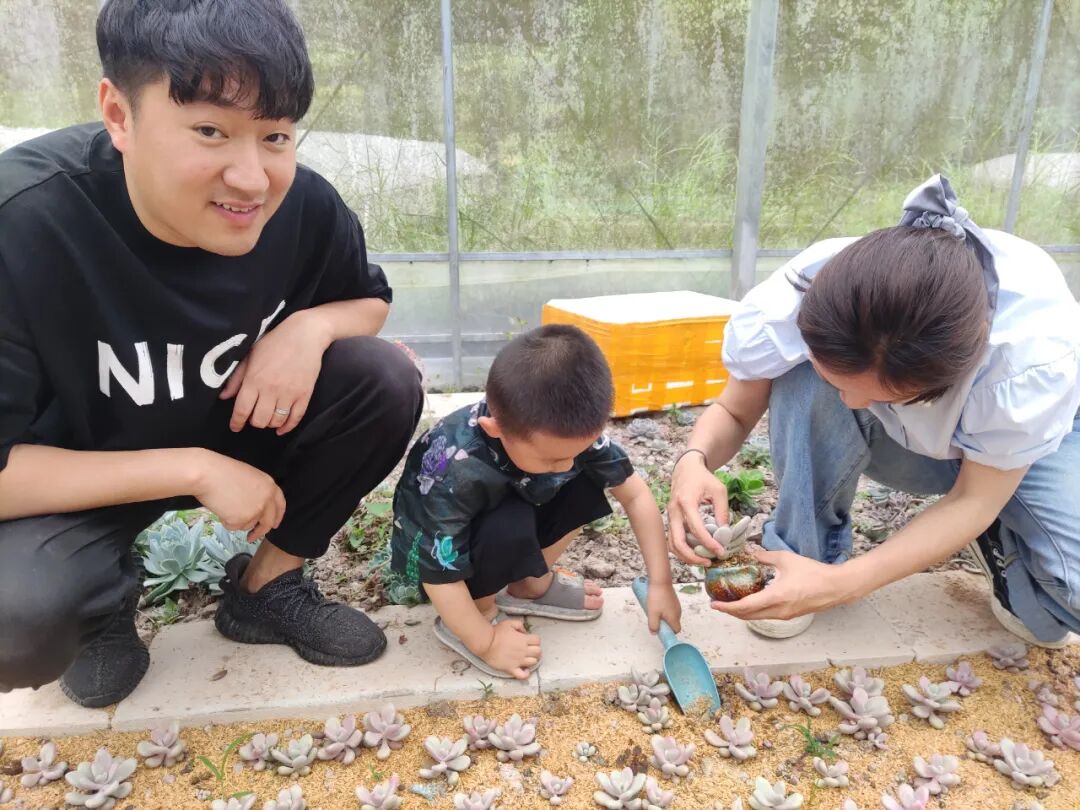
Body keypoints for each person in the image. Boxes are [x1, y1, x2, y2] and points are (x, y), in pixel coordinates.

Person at [0, 0, 423, 708]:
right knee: (15, 618)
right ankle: (101, 604)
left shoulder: (300, 204)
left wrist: (307, 330)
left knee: (383, 378)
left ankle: (267, 589)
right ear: (118, 114)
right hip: (82, 471)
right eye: (209, 130)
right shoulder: (24, 223)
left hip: (230, 422)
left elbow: (368, 301)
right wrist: (194, 469)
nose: (253, 178)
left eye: (277, 135)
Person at [667, 175, 1080, 647]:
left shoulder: (1027, 363)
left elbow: (975, 498)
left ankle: (998, 543)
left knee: (1060, 606)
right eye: (838, 382)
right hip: (922, 441)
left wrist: (847, 586)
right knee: (801, 374)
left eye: (883, 397)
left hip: (1022, 447)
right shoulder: (802, 296)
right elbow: (735, 411)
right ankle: (806, 554)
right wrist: (692, 460)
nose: (854, 407)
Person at [384, 324, 682, 679]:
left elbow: (635, 495)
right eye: (554, 459)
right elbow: (437, 572)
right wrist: (486, 642)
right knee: (507, 523)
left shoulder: (560, 437)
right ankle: (476, 614)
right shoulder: (452, 466)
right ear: (496, 429)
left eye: (578, 450)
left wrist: (661, 583)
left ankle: (528, 584)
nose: (567, 464)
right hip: (448, 561)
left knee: (585, 478)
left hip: (514, 514)